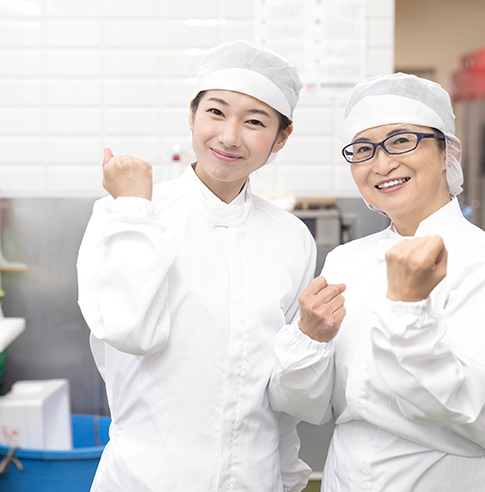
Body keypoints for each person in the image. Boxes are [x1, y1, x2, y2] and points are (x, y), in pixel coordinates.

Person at [268, 73, 485, 491]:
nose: (382, 163)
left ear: (447, 151)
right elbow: (306, 405)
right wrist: (310, 338)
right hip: (348, 474)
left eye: (401, 140)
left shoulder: (482, 263)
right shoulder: (346, 261)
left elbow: (455, 401)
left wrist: (409, 308)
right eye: (363, 149)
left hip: (446, 476)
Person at [76, 40, 315, 492]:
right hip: (145, 480)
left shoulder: (291, 238)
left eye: (255, 122)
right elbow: (129, 331)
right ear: (192, 116)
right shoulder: (130, 213)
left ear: (281, 138)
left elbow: (281, 393)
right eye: (216, 112)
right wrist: (131, 208)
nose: (229, 136)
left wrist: (287, 479)